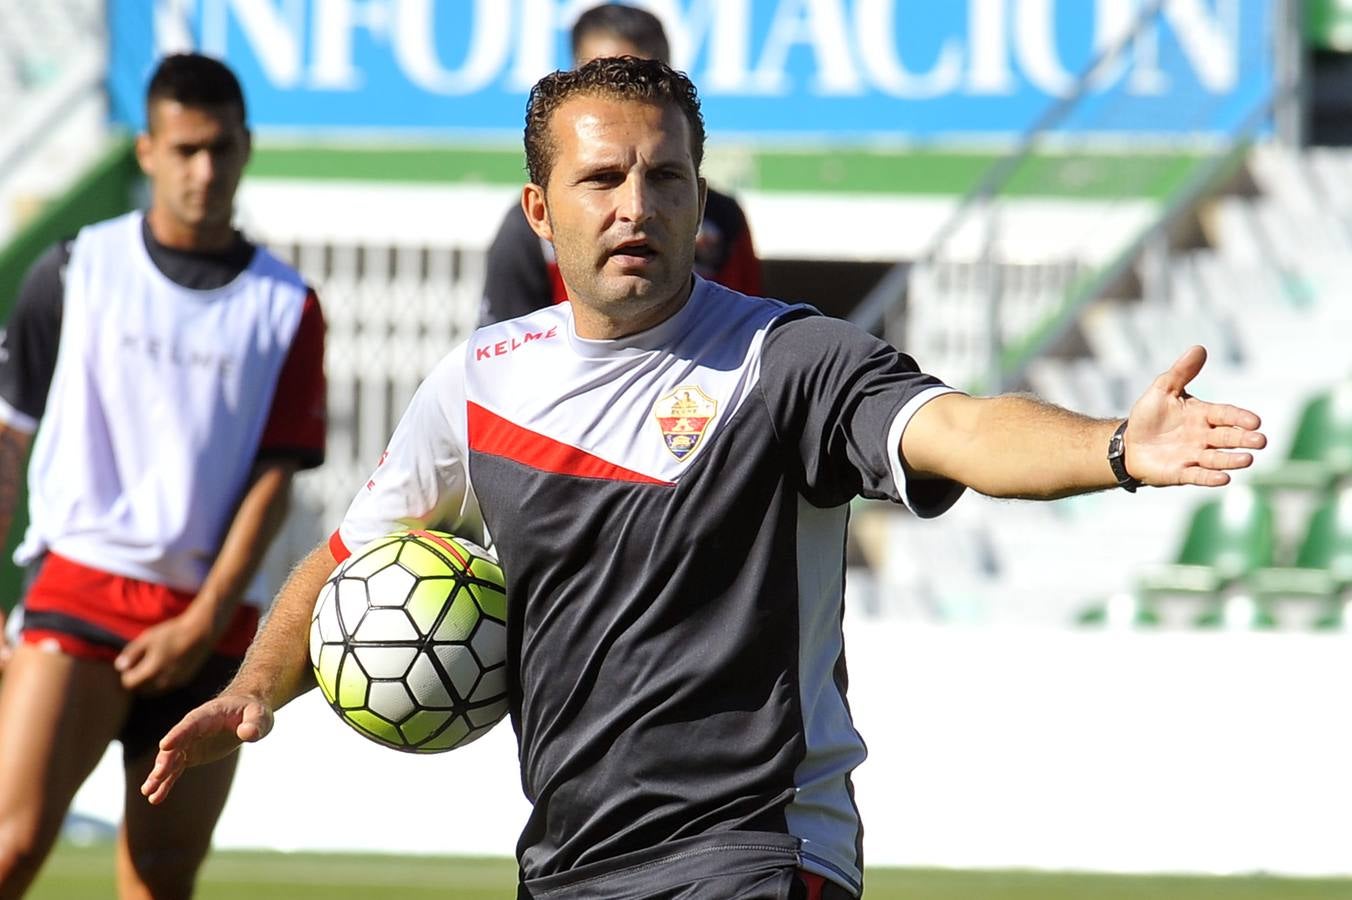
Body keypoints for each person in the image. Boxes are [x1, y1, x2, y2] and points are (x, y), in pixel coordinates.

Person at [143, 58, 1264, 900]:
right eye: (601, 179)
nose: (635, 204)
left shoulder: (787, 358)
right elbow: (346, 563)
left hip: (757, 850)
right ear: (540, 210)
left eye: (663, 176)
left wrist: (1111, 448)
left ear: (698, 201)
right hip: (567, 857)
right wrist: (257, 686)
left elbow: (961, 428)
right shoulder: (479, 380)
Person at [0, 53, 326, 898]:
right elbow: (8, 439)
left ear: (245, 147)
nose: (204, 170)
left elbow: (274, 475)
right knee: (12, 844)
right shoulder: (75, 268)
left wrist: (207, 617)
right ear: (146, 150)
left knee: (163, 876)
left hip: (208, 624)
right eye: (185, 150)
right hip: (78, 591)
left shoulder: (287, 303)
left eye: (220, 148)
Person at [479, 2, 761, 326]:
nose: (637, 209)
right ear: (540, 212)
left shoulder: (723, 221)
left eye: (645, 76)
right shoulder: (528, 229)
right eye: (605, 74)